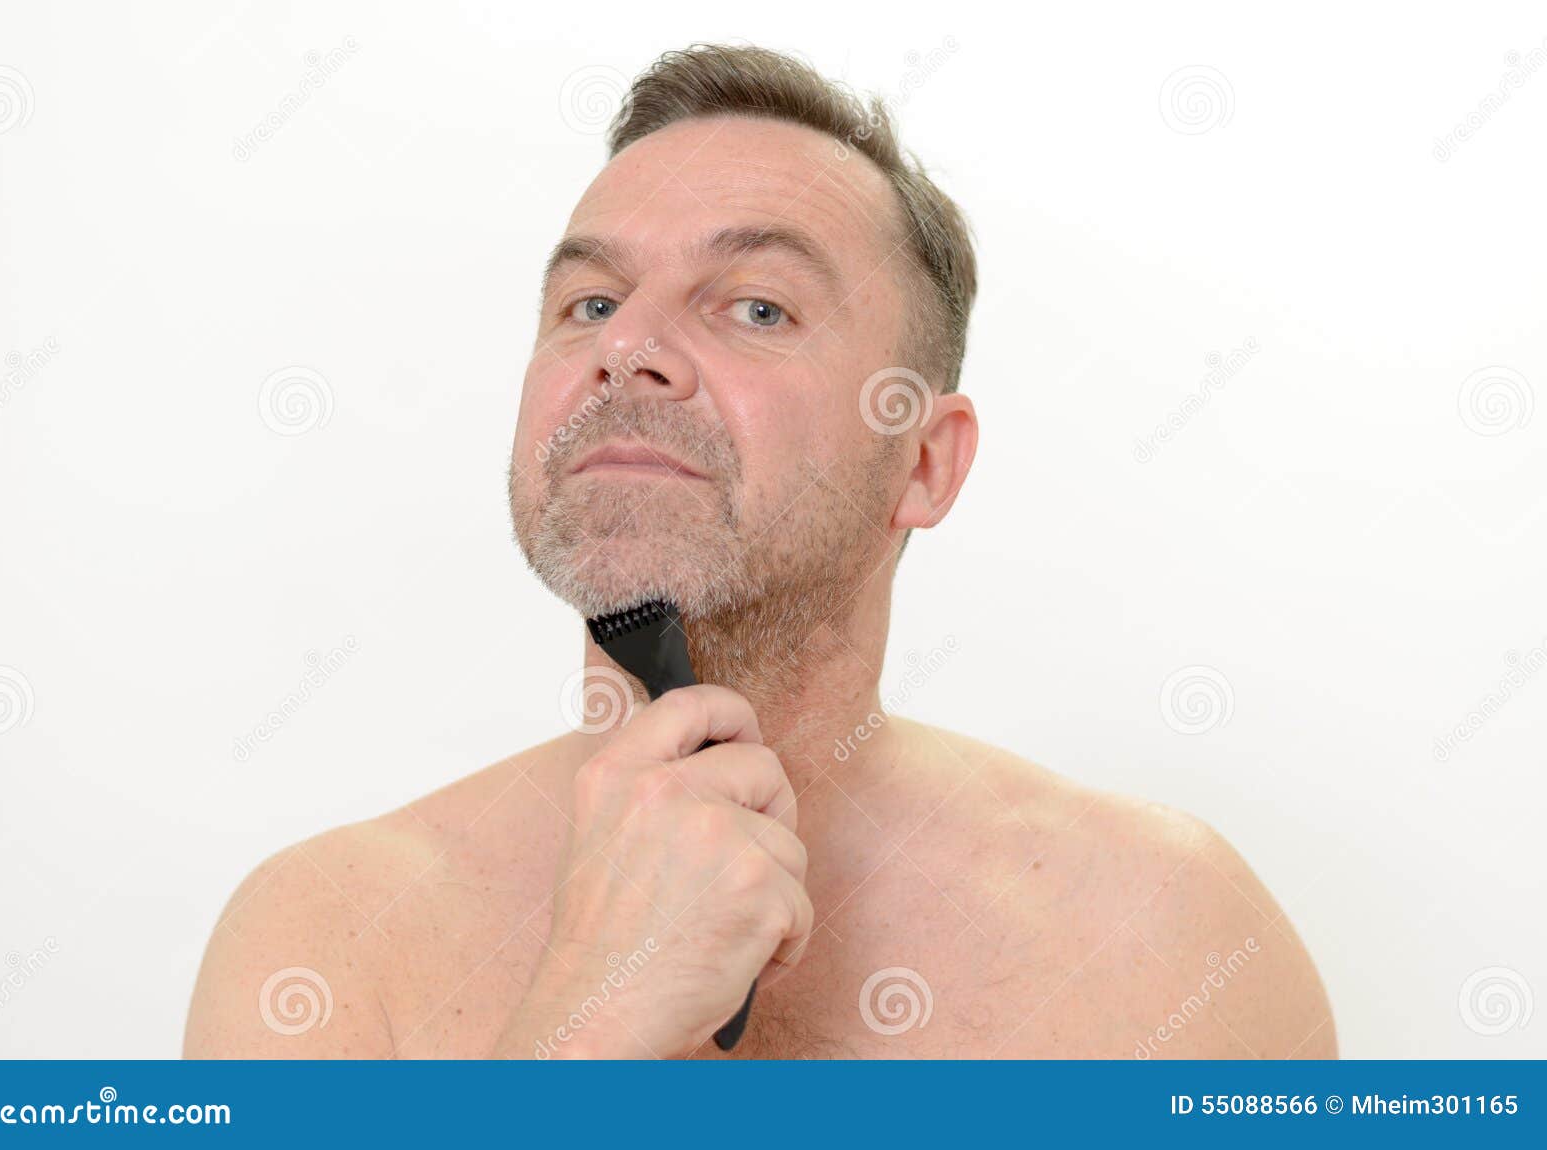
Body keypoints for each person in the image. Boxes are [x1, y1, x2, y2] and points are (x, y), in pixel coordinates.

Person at [184, 43, 1336, 1060]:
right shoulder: (324, 945)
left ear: (924, 462)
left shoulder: (1171, 939)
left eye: (756, 308)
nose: (627, 347)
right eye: (588, 303)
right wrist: (589, 1026)